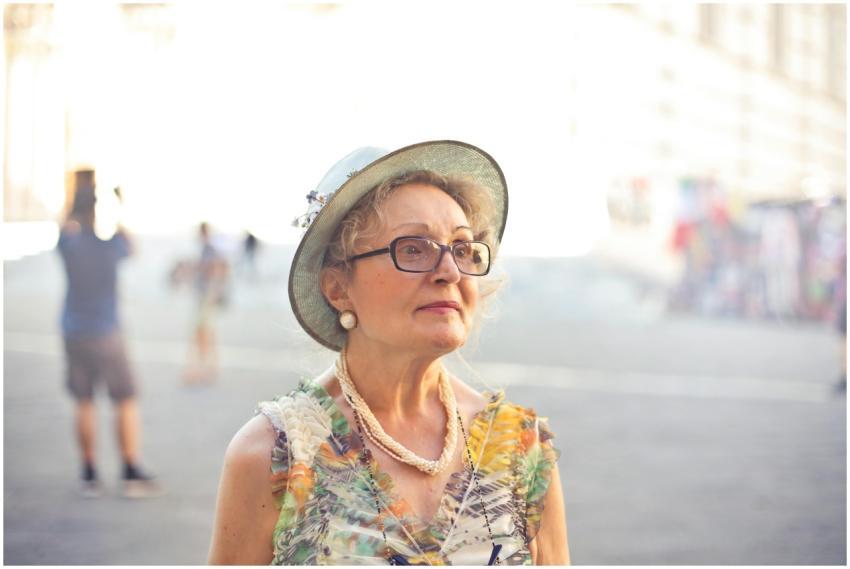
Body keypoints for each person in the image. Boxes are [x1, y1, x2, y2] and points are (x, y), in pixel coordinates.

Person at [208, 141, 570, 565]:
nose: (451, 272)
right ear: (338, 288)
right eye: (413, 249)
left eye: (462, 248)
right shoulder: (276, 456)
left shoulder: (520, 448)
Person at [57, 169, 163, 499]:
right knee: (125, 399)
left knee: (84, 400)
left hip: (74, 331)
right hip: (107, 332)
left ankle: (89, 473)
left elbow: (62, 227)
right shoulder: (110, 247)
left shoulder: (71, 245)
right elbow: (131, 245)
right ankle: (130, 468)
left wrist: (75, 200)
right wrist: (118, 206)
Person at [184, 221, 229, 385]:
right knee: (206, 333)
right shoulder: (209, 249)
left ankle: (201, 369)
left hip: (205, 297)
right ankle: (209, 368)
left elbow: (217, 270)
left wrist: (213, 293)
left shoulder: (209, 250)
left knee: (201, 333)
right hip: (205, 297)